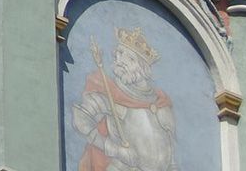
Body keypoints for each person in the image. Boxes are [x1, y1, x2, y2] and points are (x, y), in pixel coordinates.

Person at [72, 26, 178, 171]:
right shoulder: (109, 92)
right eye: (119, 54)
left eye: (130, 58)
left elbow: (170, 153)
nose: (120, 60)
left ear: (143, 68)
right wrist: (116, 150)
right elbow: (81, 120)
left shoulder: (161, 102)